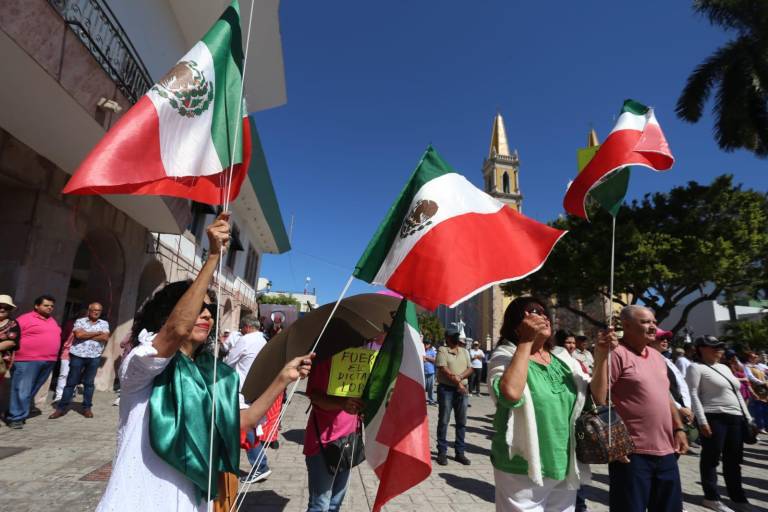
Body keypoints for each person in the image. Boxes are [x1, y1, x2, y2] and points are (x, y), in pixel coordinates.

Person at [96, 215, 312, 512]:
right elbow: (176, 331)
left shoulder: (216, 375)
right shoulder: (141, 363)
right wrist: (213, 257)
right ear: (168, 313)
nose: (208, 315)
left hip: (192, 501)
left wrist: (283, 378)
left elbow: (244, 421)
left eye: (211, 309)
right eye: (198, 308)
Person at [488, 297, 590, 512]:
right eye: (533, 311)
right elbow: (510, 395)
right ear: (517, 324)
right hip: (522, 465)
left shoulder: (563, 358)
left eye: (544, 312)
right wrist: (526, 341)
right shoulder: (504, 356)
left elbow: (594, 398)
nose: (542, 316)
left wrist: (604, 354)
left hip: (563, 461)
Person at [591, 305, 688, 512]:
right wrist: (613, 441)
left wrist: (679, 429)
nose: (653, 326)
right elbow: (599, 398)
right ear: (626, 325)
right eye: (645, 322)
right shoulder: (616, 354)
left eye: (653, 321)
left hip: (667, 452)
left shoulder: (657, 357)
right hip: (631, 454)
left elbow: (666, 397)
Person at [686, 336, 754, 512]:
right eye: (714, 347)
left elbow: (737, 393)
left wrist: (748, 417)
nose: (719, 350)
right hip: (714, 417)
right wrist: (702, 421)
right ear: (701, 348)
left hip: (735, 418)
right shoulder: (695, 367)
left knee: (734, 460)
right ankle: (711, 497)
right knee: (711, 459)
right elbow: (693, 394)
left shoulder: (724, 367)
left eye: (721, 347)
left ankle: (738, 499)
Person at [304, 356, 363, 512]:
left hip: (348, 443)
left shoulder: (361, 359)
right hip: (323, 444)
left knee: (335, 504)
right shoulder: (325, 359)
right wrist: (341, 403)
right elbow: (315, 397)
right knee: (320, 505)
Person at [224, 315, 271, 484]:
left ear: (247, 327)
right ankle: (258, 464)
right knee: (247, 427)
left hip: (241, 389)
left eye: (242, 328)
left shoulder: (246, 340)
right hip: (255, 389)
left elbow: (229, 362)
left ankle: (260, 465)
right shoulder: (264, 341)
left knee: (245, 428)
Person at [6, 295, 61, 429]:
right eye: (46, 305)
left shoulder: (52, 320)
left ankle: (19, 412)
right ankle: (15, 417)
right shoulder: (24, 319)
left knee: (31, 390)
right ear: (37, 306)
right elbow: (12, 336)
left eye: (52, 306)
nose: (49, 308)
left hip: (48, 360)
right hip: (27, 360)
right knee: (21, 389)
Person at [50, 302, 110, 419]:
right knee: (71, 382)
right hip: (77, 355)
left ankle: (87, 408)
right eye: (94, 310)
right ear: (89, 310)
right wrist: (97, 333)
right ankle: (61, 408)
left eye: (99, 310)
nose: (96, 312)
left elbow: (105, 337)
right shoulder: (80, 321)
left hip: (94, 356)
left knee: (89, 383)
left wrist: (87, 334)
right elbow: (78, 335)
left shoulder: (104, 323)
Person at [435, 326, 473, 466]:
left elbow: (471, 368)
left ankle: (460, 452)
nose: (456, 338)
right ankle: (442, 452)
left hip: (462, 390)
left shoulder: (464, 351)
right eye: (453, 336)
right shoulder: (442, 350)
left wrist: (460, 378)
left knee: (461, 422)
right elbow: (443, 368)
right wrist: (458, 383)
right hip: (447, 390)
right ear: (447, 338)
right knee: (444, 421)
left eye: (457, 336)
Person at [650, 331, 694, 428]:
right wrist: (679, 408)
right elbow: (660, 389)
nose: (665, 341)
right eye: (661, 338)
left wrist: (687, 407)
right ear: (650, 340)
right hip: (666, 412)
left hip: (681, 410)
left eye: (667, 339)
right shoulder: (649, 361)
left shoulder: (666, 360)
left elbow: (682, 384)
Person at [0, 294, 21, 385]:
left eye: (6, 307)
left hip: (1, 362)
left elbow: (11, 343)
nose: (2, 309)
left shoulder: (13, 324)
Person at [423, 340, 437, 405]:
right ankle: (422, 399)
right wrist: (428, 359)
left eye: (427, 344)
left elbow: (435, 360)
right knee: (423, 387)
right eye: (425, 343)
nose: (426, 345)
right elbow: (421, 359)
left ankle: (431, 400)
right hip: (423, 372)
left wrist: (427, 358)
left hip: (431, 372)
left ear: (430, 345)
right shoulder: (422, 350)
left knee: (430, 387)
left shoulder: (432, 351)